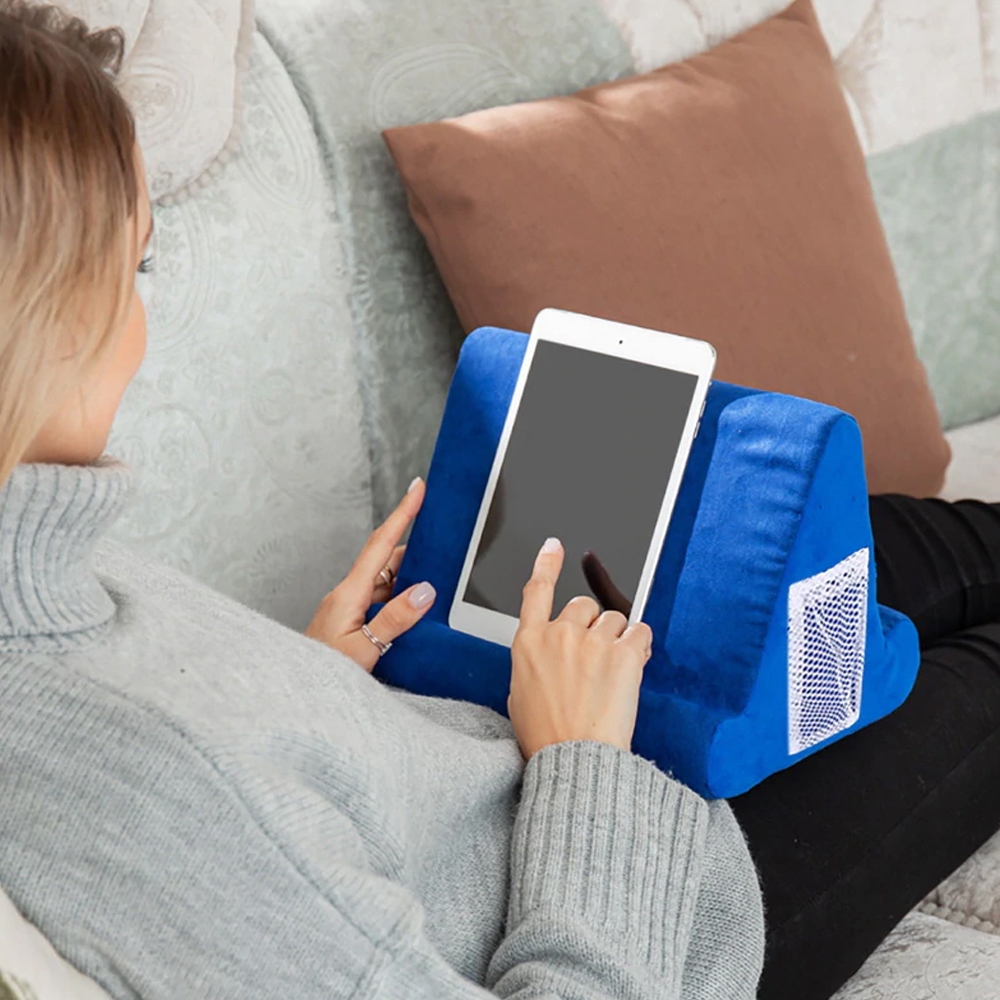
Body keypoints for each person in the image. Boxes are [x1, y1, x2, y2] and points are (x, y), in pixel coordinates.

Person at [3, 6, 1000, 1000]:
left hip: (532, 742)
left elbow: (256, 796)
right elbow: (219, 826)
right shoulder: (142, 786)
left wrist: (310, 686)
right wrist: (584, 759)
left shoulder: (52, 573)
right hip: (679, 896)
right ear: (49, 315)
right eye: (136, 266)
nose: (140, 331)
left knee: (932, 544)